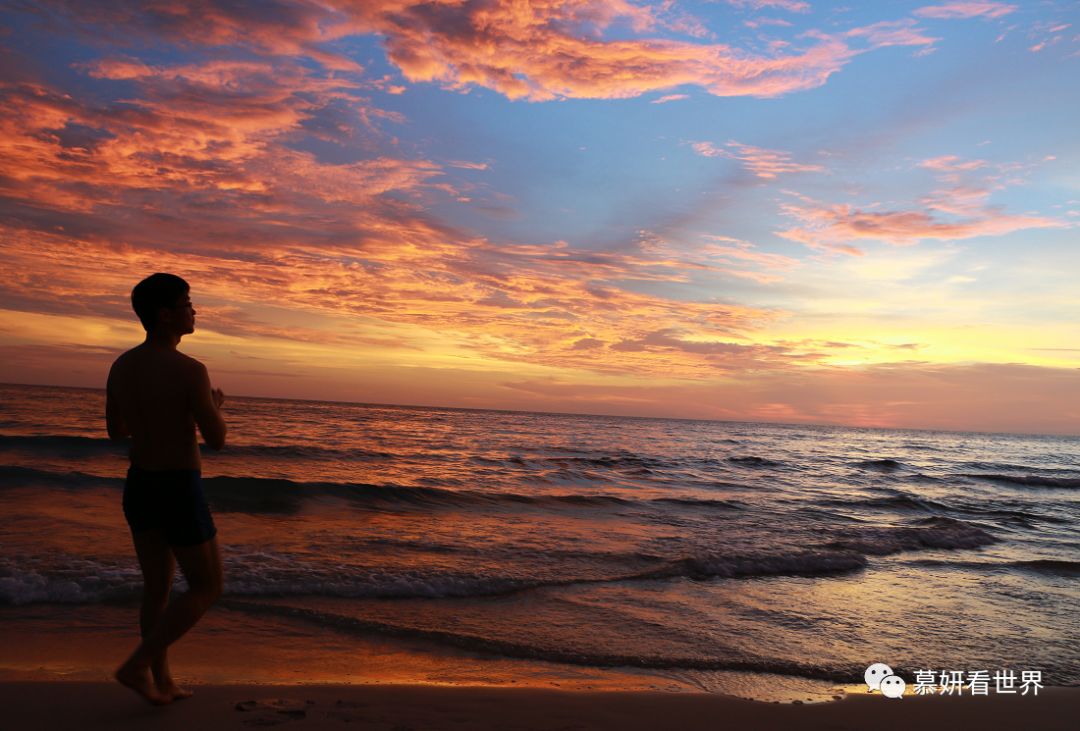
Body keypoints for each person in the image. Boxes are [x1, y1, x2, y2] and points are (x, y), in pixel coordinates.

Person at [106, 273, 226, 705]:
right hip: (178, 485)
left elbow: (115, 430)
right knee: (207, 586)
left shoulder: (121, 365)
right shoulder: (191, 370)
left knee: (156, 589)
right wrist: (211, 406)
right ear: (165, 314)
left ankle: (161, 680)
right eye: (188, 303)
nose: (194, 311)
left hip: (140, 485)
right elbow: (216, 440)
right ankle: (137, 665)